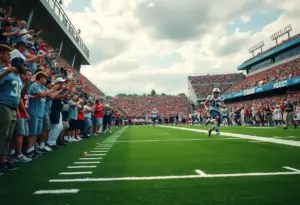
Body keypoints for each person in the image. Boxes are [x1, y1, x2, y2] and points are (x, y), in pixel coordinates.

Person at [0, 55, 26, 171]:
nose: (24, 67)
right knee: (2, 134)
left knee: (8, 137)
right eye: (23, 65)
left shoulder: (19, 77)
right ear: (18, 65)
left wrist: (17, 109)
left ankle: (3, 159)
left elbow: (19, 95)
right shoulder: (7, 72)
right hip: (4, 105)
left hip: (12, 108)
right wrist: (5, 73)